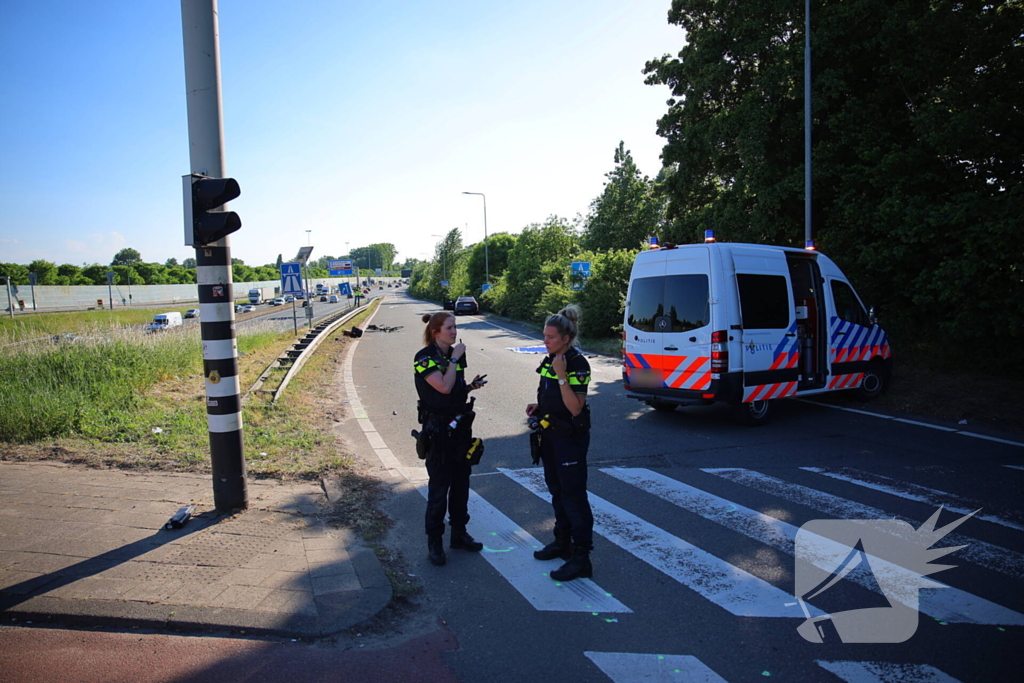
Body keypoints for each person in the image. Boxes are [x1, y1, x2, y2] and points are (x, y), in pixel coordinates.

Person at [414, 311, 487, 566]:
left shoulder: (456, 355)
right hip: (438, 430)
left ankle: (459, 534)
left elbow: (454, 389)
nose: (454, 332)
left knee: (461, 486)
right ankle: (434, 541)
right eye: (449, 328)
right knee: (439, 489)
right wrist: (454, 360)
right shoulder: (424, 358)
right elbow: (442, 387)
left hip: (459, 429)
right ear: (436, 332)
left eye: (455, 327)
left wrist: (469, 387)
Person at [527, 304, 593, 581]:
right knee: (557, 491)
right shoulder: (551, 359)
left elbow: (576, 407)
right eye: (544, 336)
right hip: (550, 435)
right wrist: (539, 407)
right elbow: (550, 393)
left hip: (570, 439)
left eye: (550, 337)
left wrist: (563, 376)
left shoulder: (577, 364)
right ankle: (562, 542)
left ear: (566, 338)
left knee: (573, 497)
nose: (545, 341)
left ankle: (581, 558)